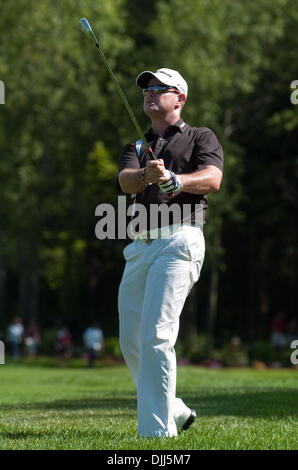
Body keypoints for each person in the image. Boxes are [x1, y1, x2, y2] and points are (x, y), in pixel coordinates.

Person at [118, 68, 224, 437]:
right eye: (147, 89)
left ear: (179, 97)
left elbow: (213, 178)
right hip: (140, 246)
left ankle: (158, 435)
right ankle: (175, 408)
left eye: (158, 88)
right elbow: (125, 180)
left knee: (156, 337)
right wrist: (147, 175)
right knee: (131, 340)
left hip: (180, 240)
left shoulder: (200, 136)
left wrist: (178, 180)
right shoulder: (135, 145)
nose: (149, 93)